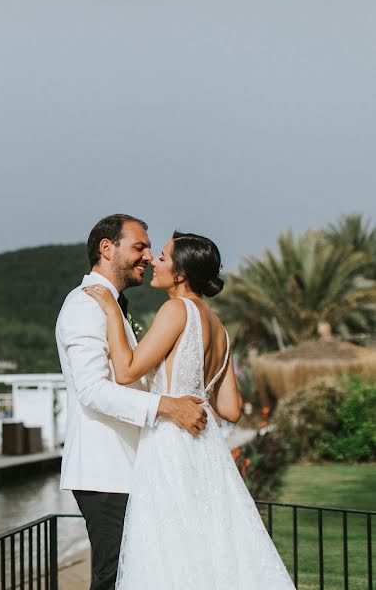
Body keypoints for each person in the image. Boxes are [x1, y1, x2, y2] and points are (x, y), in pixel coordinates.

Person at [84, 231, 294, 589]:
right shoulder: (219, 327)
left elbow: (125, 371)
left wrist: (111, 312)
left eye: (163, 257)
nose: (154, 261)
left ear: (180, 274)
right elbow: (229, 410)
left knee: (171, 550)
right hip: (208, 450)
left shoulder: (176, 309)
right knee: (211, 543)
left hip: (170, 444)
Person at [55, 214, 209, 590]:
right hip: (105, 471)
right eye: (139, 246)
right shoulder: (83, 306)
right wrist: (169, 406)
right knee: (113, 580)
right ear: (107, 248)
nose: (148, 255)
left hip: (130, 469)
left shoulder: (112, 307)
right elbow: (92, 390)